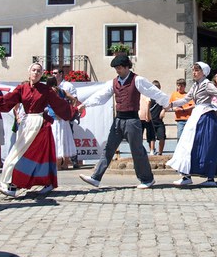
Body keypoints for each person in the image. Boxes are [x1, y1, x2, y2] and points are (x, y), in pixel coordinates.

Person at [78, 55, 170, 189]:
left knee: (137, 150)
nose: (117, 70)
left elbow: (153, 91)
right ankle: (96, 178)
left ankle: (147, 179)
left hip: (132, 120)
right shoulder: (113, 82)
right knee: (109, 148)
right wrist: (85, 104)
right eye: (116, 68)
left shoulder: (137, 80)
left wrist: (166, 103)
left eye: (119, 68)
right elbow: (101, 95)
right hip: (118, 120)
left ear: (127, 67)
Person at [0, 63, 75, 197]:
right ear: (29, 72)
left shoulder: (46, 90)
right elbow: (8, 100)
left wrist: (74, 111)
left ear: (42, 74)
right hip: (27, 125)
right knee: (22, 155)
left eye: (39, 71)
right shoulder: (22, 88)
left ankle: (15, 185)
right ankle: (40, 182)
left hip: (41, 125)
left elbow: (59, 104)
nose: (36, 73)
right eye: (34, 70)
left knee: (29, 156)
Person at [167, 61, 217, 187]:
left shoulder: (207, 84)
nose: (194, 72)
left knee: (207, 146)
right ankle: (186, 175)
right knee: (187, 144)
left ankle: (210, 177)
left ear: (203, 72)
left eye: (197, 70)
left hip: (206, 117)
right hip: (196, 116)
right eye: (193, 70)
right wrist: (170, 104)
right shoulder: (195, 85)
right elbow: (185, 99)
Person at [49, 67, 78, 169]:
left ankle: (58, 165)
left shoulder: (51, 91)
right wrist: (70, 110)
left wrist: (70, 110)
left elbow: (73, 99)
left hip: (55, 119)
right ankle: (65, 164)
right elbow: (74, 99)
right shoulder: (62, 91)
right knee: (65, 140)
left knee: (57, 140)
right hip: (63, 119)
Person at [149, 80, 166, 156]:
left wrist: (163, 110)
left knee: (162, 137)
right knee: (151, 138)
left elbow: (167, 105)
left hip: (159, 121)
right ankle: (152, 151)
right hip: (151, 120)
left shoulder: (162, 97)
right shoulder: (149, 97)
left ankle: (160, 153)